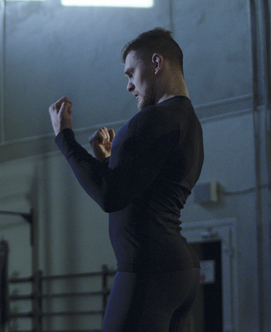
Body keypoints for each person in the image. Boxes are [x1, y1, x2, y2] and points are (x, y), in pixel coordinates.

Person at [48, 28, 203, 331]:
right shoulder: (189, 123)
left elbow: (110, 196)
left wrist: (64, 136)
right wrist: (106, 160)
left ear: (156, 63)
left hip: (149, 270)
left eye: (131, 73)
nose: (129, 85)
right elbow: (139, 189)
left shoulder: (152, 119)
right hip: (180, 273)